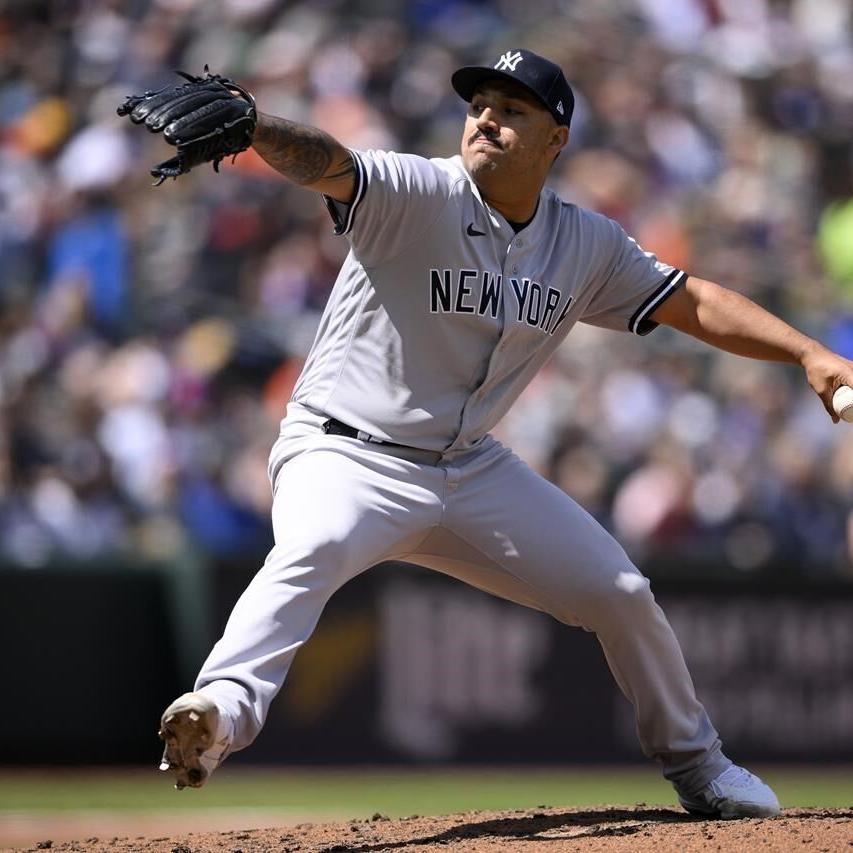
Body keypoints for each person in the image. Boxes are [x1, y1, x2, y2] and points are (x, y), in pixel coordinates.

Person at [157, 49, 853, 818]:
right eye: (479, 104)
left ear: (555, 139)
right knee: (311, 550)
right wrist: (258, 128)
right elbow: (330, 162)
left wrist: (806, 351)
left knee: (619, 591)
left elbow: (691, 301)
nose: (486, 118)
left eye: (512, 109)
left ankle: (700, 768)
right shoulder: (419, 190)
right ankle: (218, 709)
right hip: (345, 450)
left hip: (470, 468)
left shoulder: (583, 244)